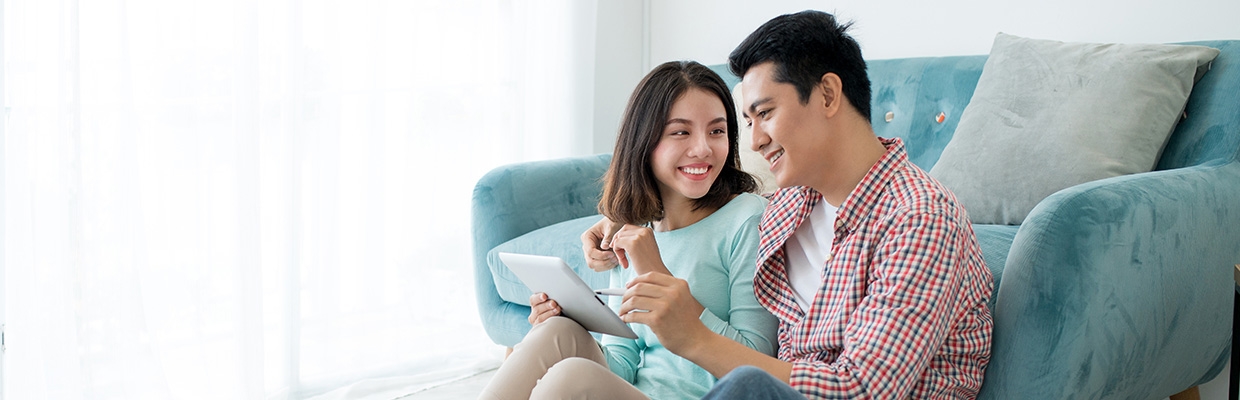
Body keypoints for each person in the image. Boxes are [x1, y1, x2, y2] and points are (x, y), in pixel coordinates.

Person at [582, 10, 995, 399]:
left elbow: (861, 390)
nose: (756, 140)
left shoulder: (919, 218)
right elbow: (706, 209)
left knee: (746, 386)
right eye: (747, 122)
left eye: (765, 113)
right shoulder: (791, 204)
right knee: (566, 365)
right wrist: (616, 220)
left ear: (829, 95)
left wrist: (694, 336)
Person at [478, 60, 779, 400]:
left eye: (717, 131)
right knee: (557, 332)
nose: (703, 148)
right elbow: (625, 360)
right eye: (681, 132)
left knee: (571, 375)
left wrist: (656, 274)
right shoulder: (634, 233)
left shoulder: (747, 219)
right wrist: (569, 319)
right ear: (644, 142)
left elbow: (757, 361)